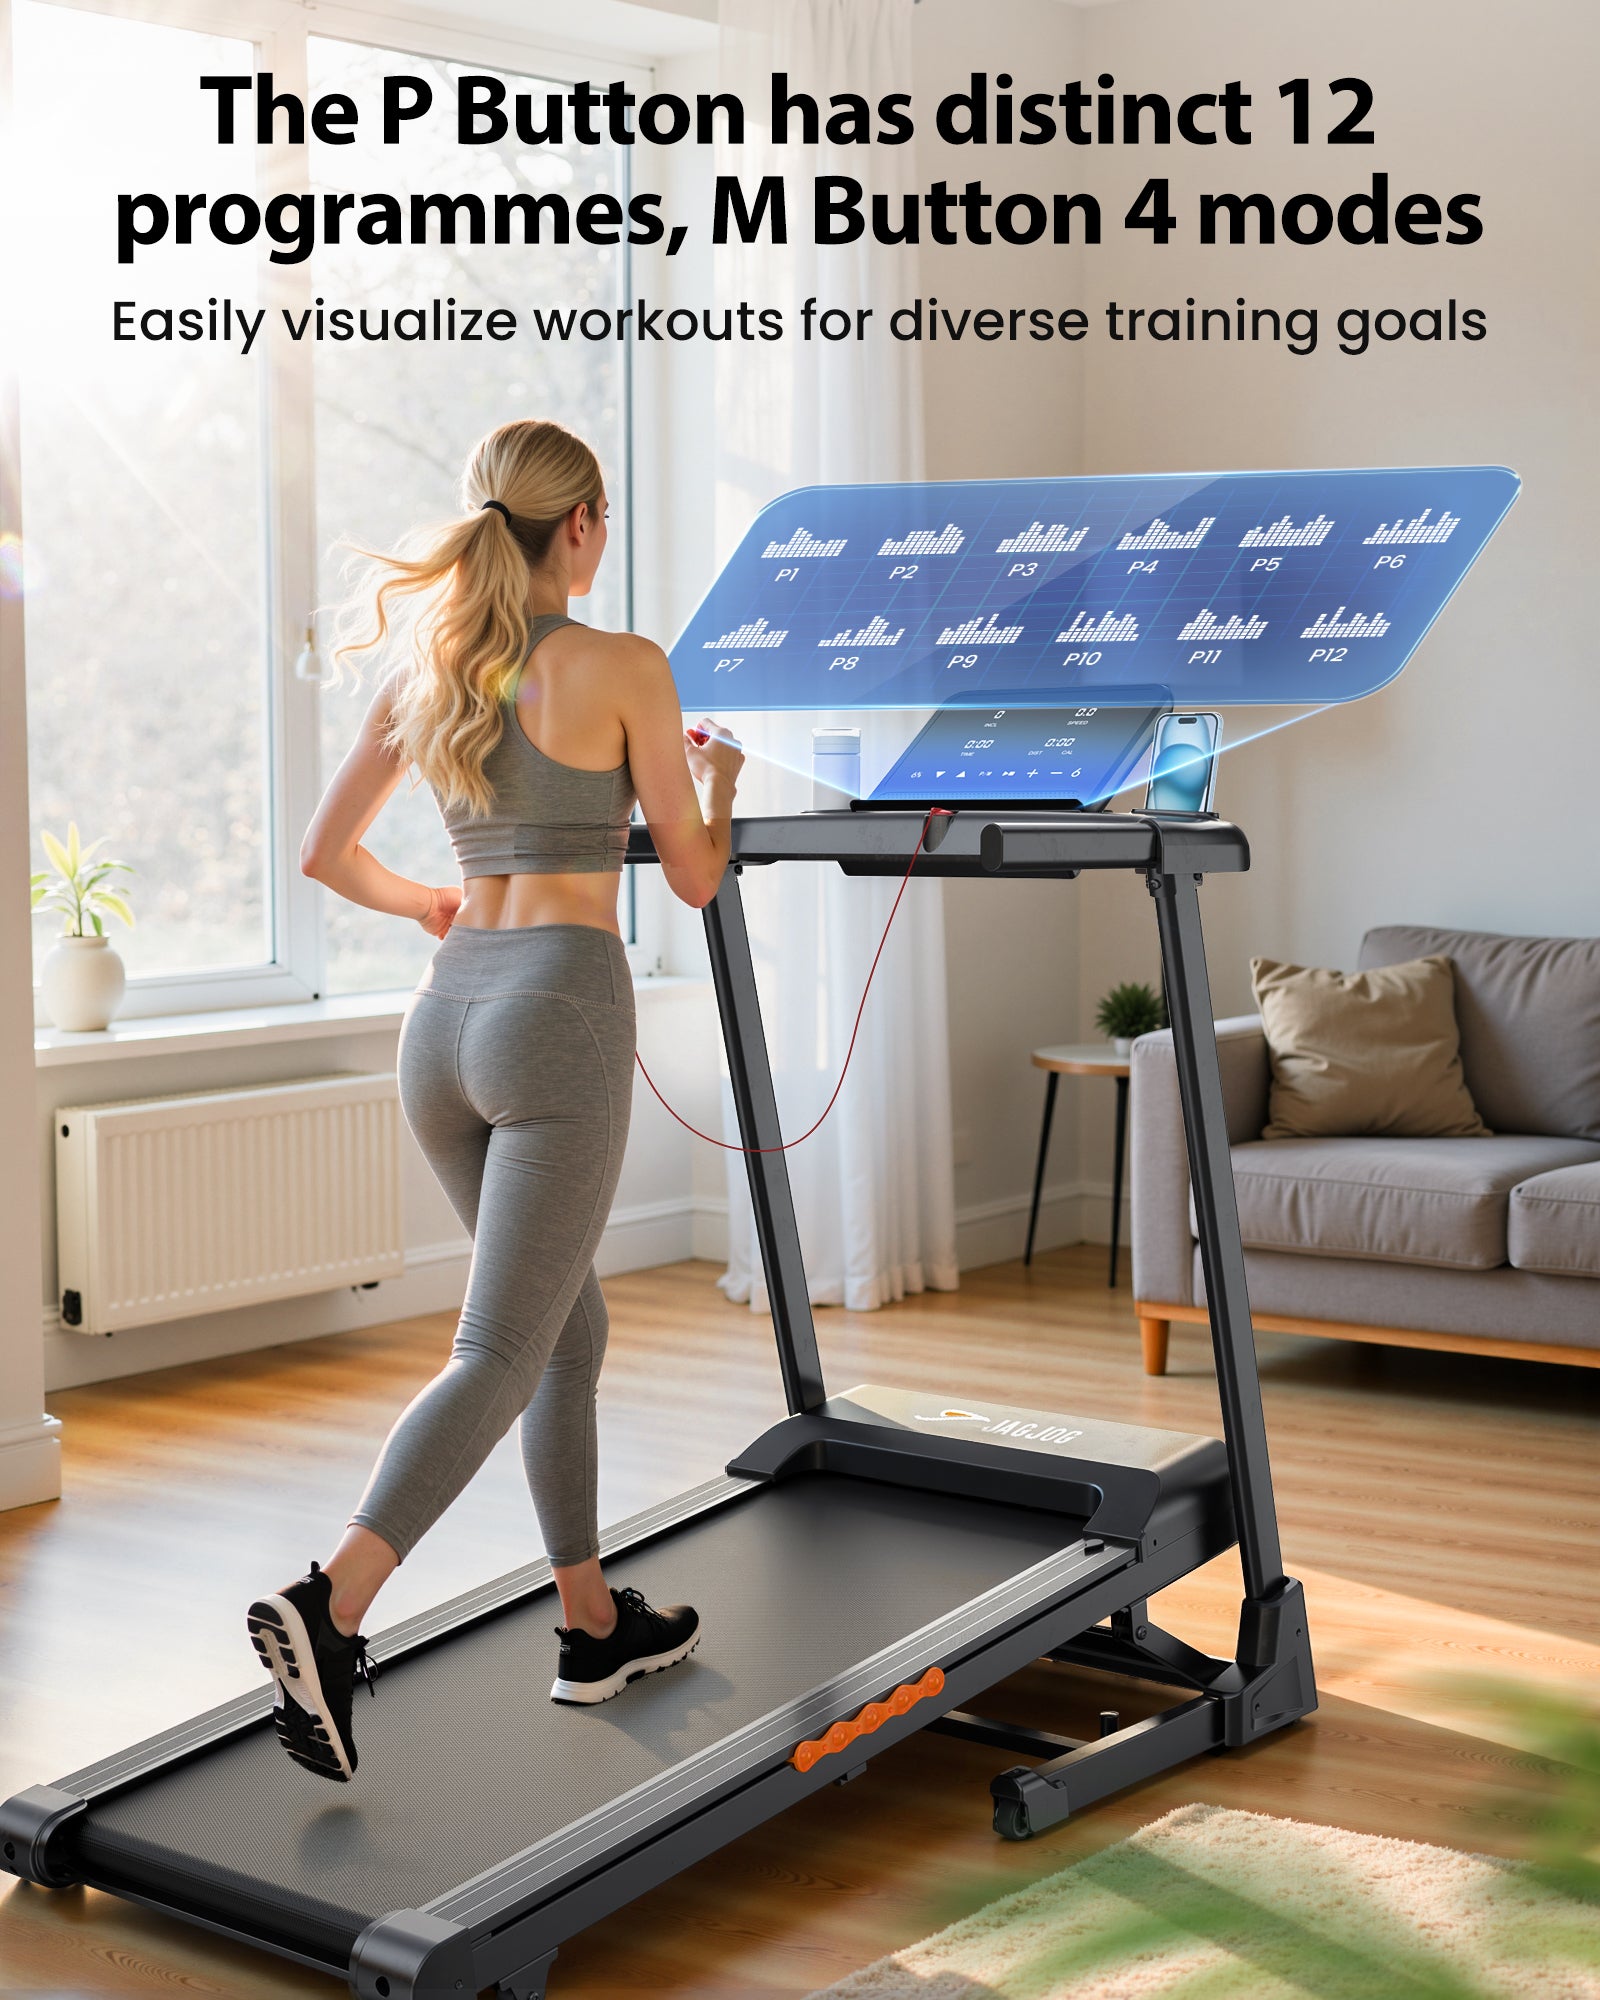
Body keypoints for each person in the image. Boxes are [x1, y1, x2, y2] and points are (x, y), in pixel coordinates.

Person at [245, 418, 743, 1782]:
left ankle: (591, 1622)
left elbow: (322, 852)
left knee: (559, 1331)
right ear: (578, 522)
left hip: (446, 1024)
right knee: (498, 1349)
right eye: (605, 520)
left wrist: (432, 904)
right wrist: (721, 780)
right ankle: (333, 1604)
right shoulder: (626, 664)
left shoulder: (436, 664)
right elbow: (693, 875)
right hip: (559, 1018)